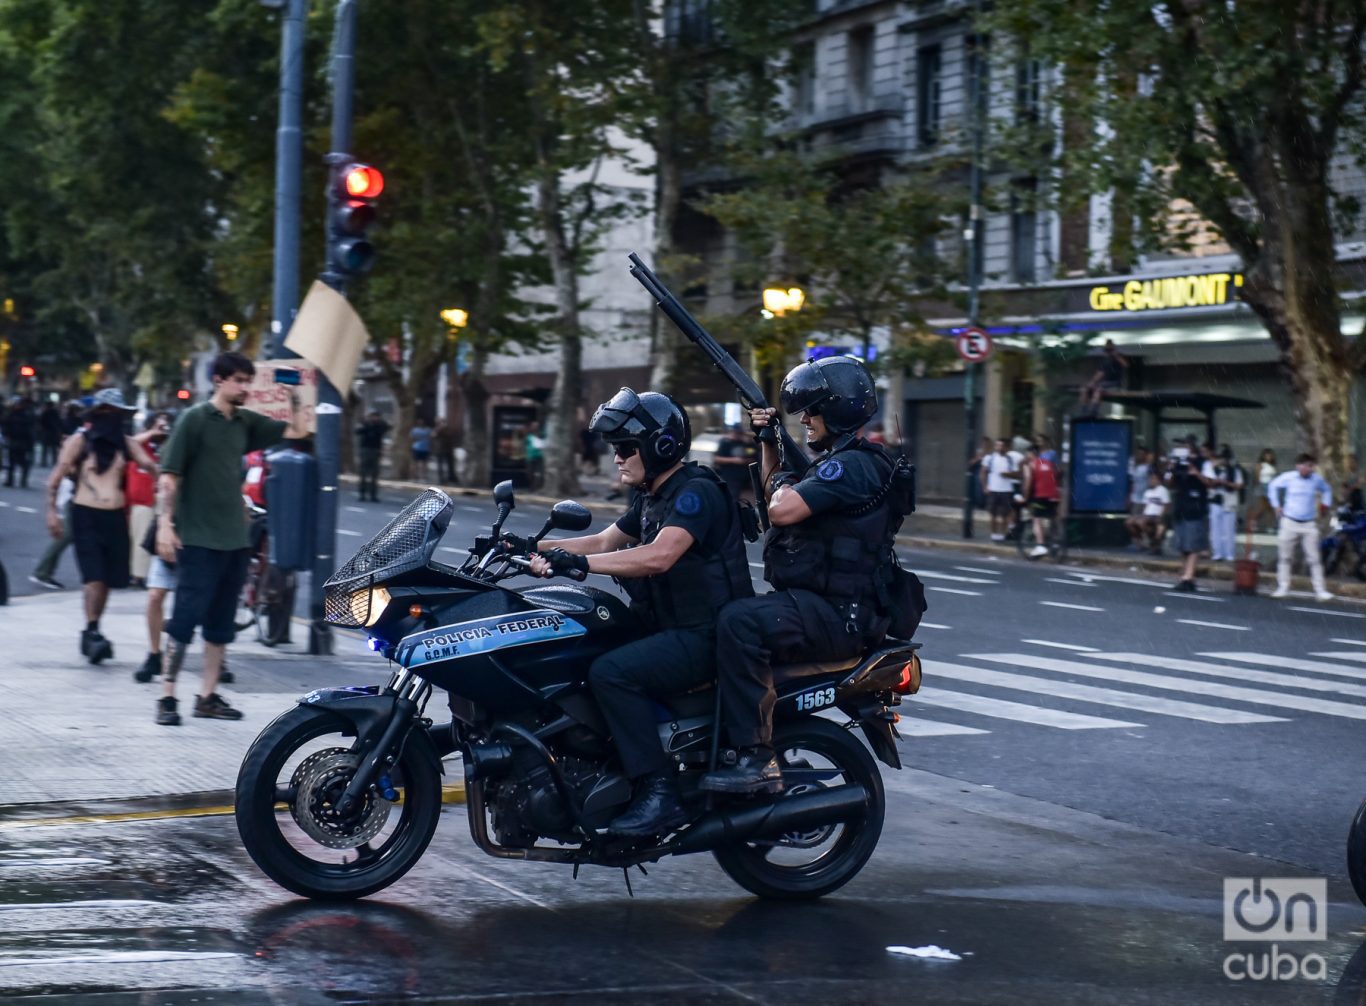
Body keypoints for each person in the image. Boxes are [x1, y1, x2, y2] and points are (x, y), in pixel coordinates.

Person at [525, 388, 753, 836]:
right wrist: (527, 546)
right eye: (615, 450)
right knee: (578, 648)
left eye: (626, 449)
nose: (617, 459)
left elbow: (658, 556)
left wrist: (580, 565)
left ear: (661, 445)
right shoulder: (653, 495)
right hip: (666, 627)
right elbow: (604, 541)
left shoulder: (696, 493)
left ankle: (658, 790)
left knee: (613, 672)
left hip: (703, 634)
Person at [702, 356, 907, 795]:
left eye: (811, 410)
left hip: (838, 614)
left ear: (837, 409)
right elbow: (780, 494)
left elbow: (781, 508)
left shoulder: (853, 466)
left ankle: (756, 759)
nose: (805, 419)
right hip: (821, 605)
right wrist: (769, 440)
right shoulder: (838, 461)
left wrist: (782, 473)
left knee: (738, 623)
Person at [153, 351, 307, 726]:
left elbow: (297, 431)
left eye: (247, 381)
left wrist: (295, 395)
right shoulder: (193, 420)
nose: (245, 388)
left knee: (221, 623)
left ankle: (207, 696)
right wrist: (165, 524)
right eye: (238, 380)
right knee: (185, 619)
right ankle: (167, 697)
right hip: (198, 538)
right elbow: (169, 477)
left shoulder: (243, 422)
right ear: (219, 380)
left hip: (235, 540)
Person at [46, 389, 159, 663]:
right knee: (94, 577)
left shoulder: (125, 443)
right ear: (96, 414)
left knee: (108, 580)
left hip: (115, 517)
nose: (111, 418)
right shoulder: (79, 442)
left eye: (116, 414)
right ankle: (93, 630)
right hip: (85, 515)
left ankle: (92, 629)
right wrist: (52, 512)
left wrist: (166, 484)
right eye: (106, 412)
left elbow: (149, 465)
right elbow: (55, 478)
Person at [1268, 453, 1334, 602]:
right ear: (1298, 466)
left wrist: (1325, 505)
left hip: (1309, 523)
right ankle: (1283, 586)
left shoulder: (1316, 479)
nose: (1308, 469)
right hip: (1289, 521)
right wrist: (1276, 505)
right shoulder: (1289, 477)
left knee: (1314, 558)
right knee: (1285, 556)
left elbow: (1327, 490)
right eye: (1305, 465)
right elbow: (1273, 485)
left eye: (1311, 466)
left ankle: (1320, 590)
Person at [125, 412, 171, 587]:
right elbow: (131, 443)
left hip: (158, 498)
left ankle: (149, 574)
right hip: (141, 499)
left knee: (155, 538)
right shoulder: (141, 445)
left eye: (166, 423)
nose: (163, 427)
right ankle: (138, 575)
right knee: (140, 538)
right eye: (160, 423)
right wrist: (152, 432)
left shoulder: (163, 447)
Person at [1166, 450, 1211, 592]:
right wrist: (1172, 469)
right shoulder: (1178, 468)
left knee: (1193, 546)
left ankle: (1188, 576)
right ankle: (1186, 576)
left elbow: (1211, 483)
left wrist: (1196, 473)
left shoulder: (1204, 465)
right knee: (1183, 546)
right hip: (1181, 509)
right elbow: (1169, 483)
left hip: (1196, 510)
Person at [1020, 443, 1061, 557]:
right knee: (1053, 518)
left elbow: (1028, 482)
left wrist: (1025, 497)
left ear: (1031, 454)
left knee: (1037, 520)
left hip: (1040, 496)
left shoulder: (1031, 465)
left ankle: (1040, 545)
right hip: (1054, 496)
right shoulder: (1050, 464)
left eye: (1027, 453)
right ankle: (1056, 542)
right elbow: (1057, 476)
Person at [1207, 445, 1244, 562]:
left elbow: (1239, 485)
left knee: (1228, 529)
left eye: (1223, 457)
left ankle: (1229, 554)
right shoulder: (1211, 468)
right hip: (1215, 500)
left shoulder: (1234, 470)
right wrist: (1215, 481)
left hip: (1229, 500)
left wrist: (1226, 482)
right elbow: (1207, 482)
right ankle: (1217, 553)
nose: (1221, 460)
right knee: (1215, 529)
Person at [980, 438, 1017, 541]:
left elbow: (1016, 474)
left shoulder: (1010, 459)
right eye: (998, 445)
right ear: (995, 447)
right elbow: (983, 472)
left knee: (1005, 514)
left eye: (1002, 446)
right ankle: (993, 533)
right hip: (993, 489)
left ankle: (1002, 533)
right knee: (992, 514)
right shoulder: (989, 458)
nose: (1000, 448)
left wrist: (1008, 474)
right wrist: (985, 486)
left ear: (1006, 447)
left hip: (1006, 490)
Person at [710, 423, 758, 503]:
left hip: (747, 478)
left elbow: (754, 457)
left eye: (739, 433)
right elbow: (717, 459)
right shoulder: (725, 443)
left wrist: (749, 442)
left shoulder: (746, 444)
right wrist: (734, 460)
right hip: (730, 477)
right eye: (736, 433)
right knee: (732, 499)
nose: (737, 435)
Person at [1079, 339, 1128, 415]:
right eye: (1107, 350)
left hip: (1114, 383)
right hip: (1104, 382)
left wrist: (1116, 355)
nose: (1108, 352)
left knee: (1098, 390)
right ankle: (1084, 410)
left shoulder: (1118, 357)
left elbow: (1125, 365)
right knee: (1085, 389)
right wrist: (1091, 383)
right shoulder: (1105, 360)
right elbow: (1100, 373)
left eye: (1109, 350)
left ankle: (1093, 411)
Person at [1132, 470, 1170, 554]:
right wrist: (1142, 515)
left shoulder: (1163, 490)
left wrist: (1161, 516)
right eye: (1150, 479)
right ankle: (1140, 544)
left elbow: (1166, 505)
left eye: (1153, 479)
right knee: (1129, 522)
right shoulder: (1148, 492)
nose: (1151, 481)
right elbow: (1145, 506)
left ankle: (1150, 540)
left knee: (1141, 522)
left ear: (1158, 480)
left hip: (1156, 515)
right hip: (1147, 515)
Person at [355, 410, 388, 502]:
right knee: (363, 474)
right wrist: (365, 422)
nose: (375, 418)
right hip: (365, 450)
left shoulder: (380, 426)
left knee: (374, 474)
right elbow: (357, 431)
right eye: (373, 416)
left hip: (376, 451)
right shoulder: (365, 425)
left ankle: (373, 494)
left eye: (376, 416)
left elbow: (387, 427)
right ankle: (362, 493)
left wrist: (379, 422)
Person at [3, 397, 36, 488]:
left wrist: (30, 443)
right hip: (14, 441)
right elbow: (6, 428)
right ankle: (10, 480)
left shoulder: (26, 415)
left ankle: (23, 481)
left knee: (24, 463)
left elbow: (30, 430)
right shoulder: (10, 415)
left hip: (22, 442)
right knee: (12, 463)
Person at [432, 419, 457, 484]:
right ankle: (441, 479)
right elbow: (433, 436)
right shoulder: (437, 429)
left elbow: (451, 436)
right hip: (440, 449)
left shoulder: (448, 429)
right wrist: (440, 428)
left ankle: (451, 478)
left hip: (448, 449)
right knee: (440, 465)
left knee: (450, 465)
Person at [38, 400, 62, 467]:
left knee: (45, 448)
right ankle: (54, 461)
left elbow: (41, 422)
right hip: (53, 432)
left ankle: (44, 462)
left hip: (47, 432)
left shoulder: (45, 412)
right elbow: (59, 422)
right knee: (53, 448)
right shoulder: (55, 412)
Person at [524, 421, 545, 490]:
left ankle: (537, 486)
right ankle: (531, 486)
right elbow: (525, 444)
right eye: (533, 426)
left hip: (539, 456)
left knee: (539, 473)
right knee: (530, 473)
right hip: (530, 456)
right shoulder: (528, 435)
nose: (535, 427)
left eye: (536, 426)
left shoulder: (542, 434)